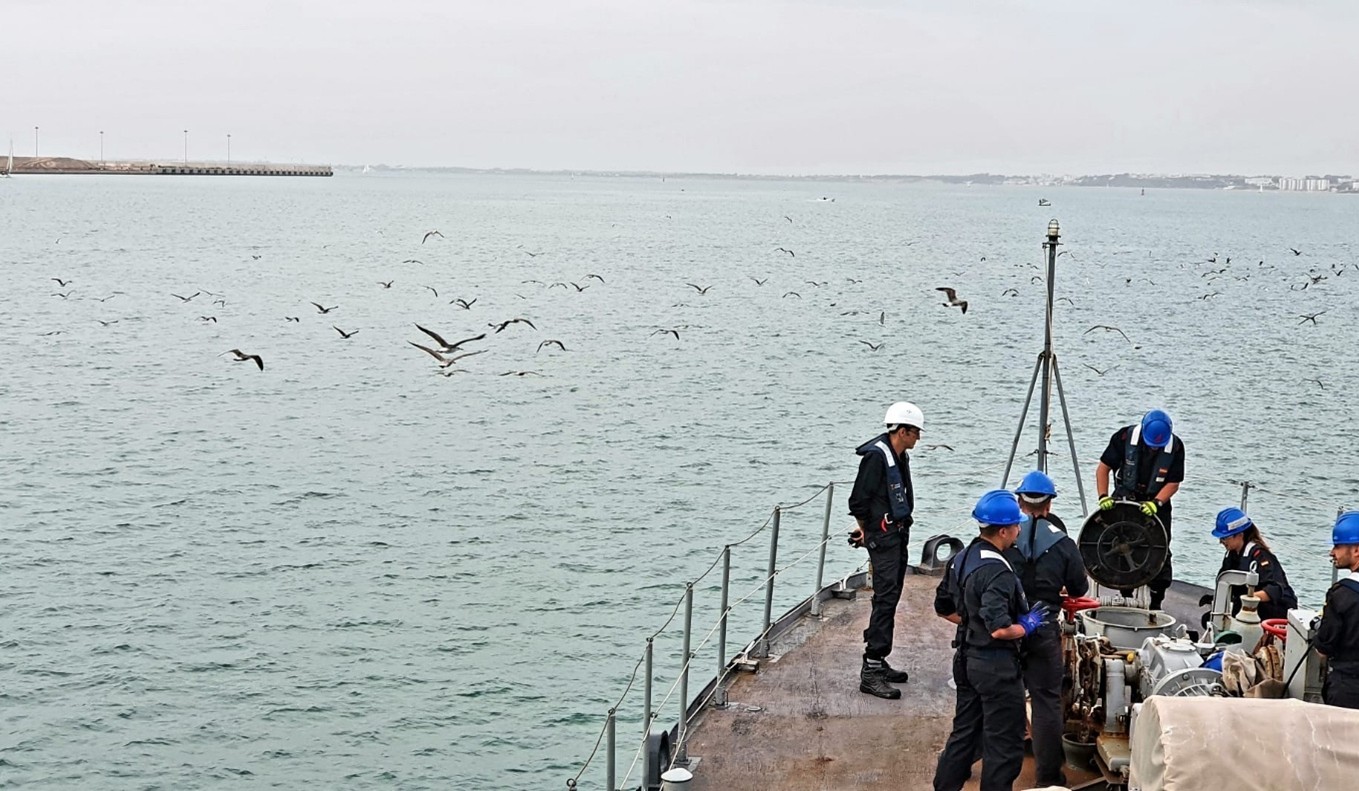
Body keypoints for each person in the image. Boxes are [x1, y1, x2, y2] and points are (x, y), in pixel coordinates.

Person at [932, 490, 1050, 791]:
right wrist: (1028, 625)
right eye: (1016, 525)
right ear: (1002, 530)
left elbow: (944, 608)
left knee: (964, 732)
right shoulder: (999, 573)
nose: (1019, 529)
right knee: (1004, 743)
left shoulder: (962, 558)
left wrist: (974, 623)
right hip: (995, 667)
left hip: (966, 660)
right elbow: (1000, 629)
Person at [1004, 470, 1088, 788]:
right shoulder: (1063, 543)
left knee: (995, 698)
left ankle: (963, 765)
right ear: (1049, 504)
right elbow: (1079, 587)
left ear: (1020, 502)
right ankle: (1048, 778)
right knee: (1046, 702)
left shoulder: (1004, 536)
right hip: (1042, 627)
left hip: (1007, 628)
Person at [848, 401, 921, 699]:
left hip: (897, 535)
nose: (919, 437)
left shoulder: (899, 456)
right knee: (886, 597)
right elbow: (858, 501)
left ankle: (878, 659)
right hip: (883, 537)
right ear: (902, 431)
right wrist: (865, 529)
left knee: (889, 597)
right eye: (915, 432)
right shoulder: (877, 459)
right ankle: (871, 668)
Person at [1094, 408, 1184, 610]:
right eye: (1151, 446)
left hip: (1156, 502)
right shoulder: (1124, 438)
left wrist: (1157, 502)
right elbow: (1103, 468)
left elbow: (1174, 482)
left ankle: (1156, 600)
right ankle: (1126, 593)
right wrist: (1103, 497)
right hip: (1125, 498)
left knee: (1160, 549)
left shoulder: (1176, 447)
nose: (1154, 450)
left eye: (1157, 447)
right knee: (1119, 543)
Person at [1210, 507, 1297, 621]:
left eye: (1225, 538)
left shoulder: (1260, 556)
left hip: (1274, 608)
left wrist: (1248, 599)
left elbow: (1275, 589)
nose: (1221, 541)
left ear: (1240, 535)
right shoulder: (1232, 555)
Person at [1317, 511, 1359, 709]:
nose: (1332, 553)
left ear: (1357, 550)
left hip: (1347, 688)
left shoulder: (1342, 595)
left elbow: (1323, 648)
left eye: (1337, 546)